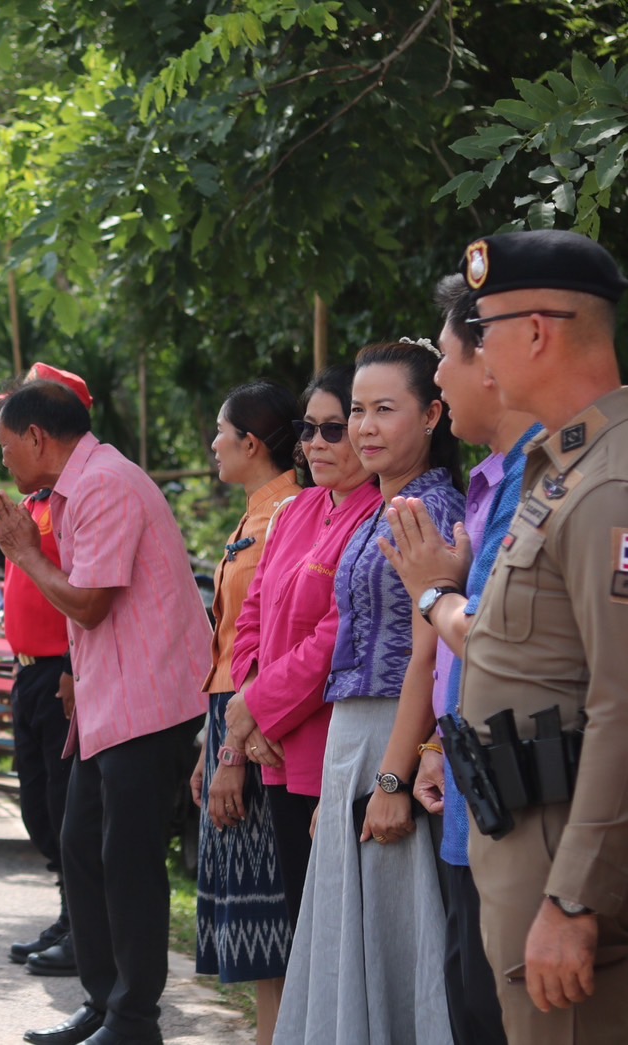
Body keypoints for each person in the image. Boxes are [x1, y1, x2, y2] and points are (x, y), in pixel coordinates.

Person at [0, 380, 210, 1045]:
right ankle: (104, 1003)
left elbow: (88, 603)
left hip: (149, 700)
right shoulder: (74, 487)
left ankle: (134, 1019)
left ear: (36, 437)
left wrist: (24, 552)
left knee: (128, 859)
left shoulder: (104, 484)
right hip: (108, 696)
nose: (3, 459)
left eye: (5, 445)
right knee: (82, 846)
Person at [451, 230, 628, 1042]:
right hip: (525, 834)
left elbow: (621, 701)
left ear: (534, 332)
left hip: (566, 859)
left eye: (482, 327)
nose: (476, 348)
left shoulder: (609, 483)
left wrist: (573, 897)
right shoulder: (563, 467)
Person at [275, 340, 466, 1044]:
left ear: (432, 415)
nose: (364, 427)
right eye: (357, 410)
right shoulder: (381, 507)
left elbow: (428, 656)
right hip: (355, 745)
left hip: (394, 741)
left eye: (385, 409)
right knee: (354, 943)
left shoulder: (427, 509)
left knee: (395, 943)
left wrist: (392, 776)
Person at [381, 275, 539, 1045]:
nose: (436, 375)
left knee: (495, 1007)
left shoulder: (541, 479)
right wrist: (438, 744)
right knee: (467, 995)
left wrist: (431, 591)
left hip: (526, 791)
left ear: (493, 362)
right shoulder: (490, 480)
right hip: (473, 777)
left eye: (444, 357)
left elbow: (495, 638)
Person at [222, 365, 380, 955]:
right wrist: (252, 706)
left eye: (333, 429)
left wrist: (257, 708)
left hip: (326, 744)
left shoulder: (377, 514)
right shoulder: (295, 512)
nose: (315, 444)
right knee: (300, 930)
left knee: (338, 936)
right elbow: (251, 617)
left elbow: (334, 638)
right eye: (307, 429)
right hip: (272, 745)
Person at [188, 380, 301, 1045]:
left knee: (272, 920)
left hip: (255, 725)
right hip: (230, 719)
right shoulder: (258, 514)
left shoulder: (284, 515)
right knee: (259, 925)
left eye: (221, 432)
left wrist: (230, 749)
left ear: (251, 443)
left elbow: (264, 648)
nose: (213, 444)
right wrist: (211, 748)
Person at [0, 363, 97, 977]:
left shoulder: (81, 499)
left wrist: (74, 668)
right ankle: (68, 912)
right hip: (29, 671)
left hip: (63, 672)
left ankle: (83, 925)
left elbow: (90, 593)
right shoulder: (35, 499)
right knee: (39, 804)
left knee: (64, 805)